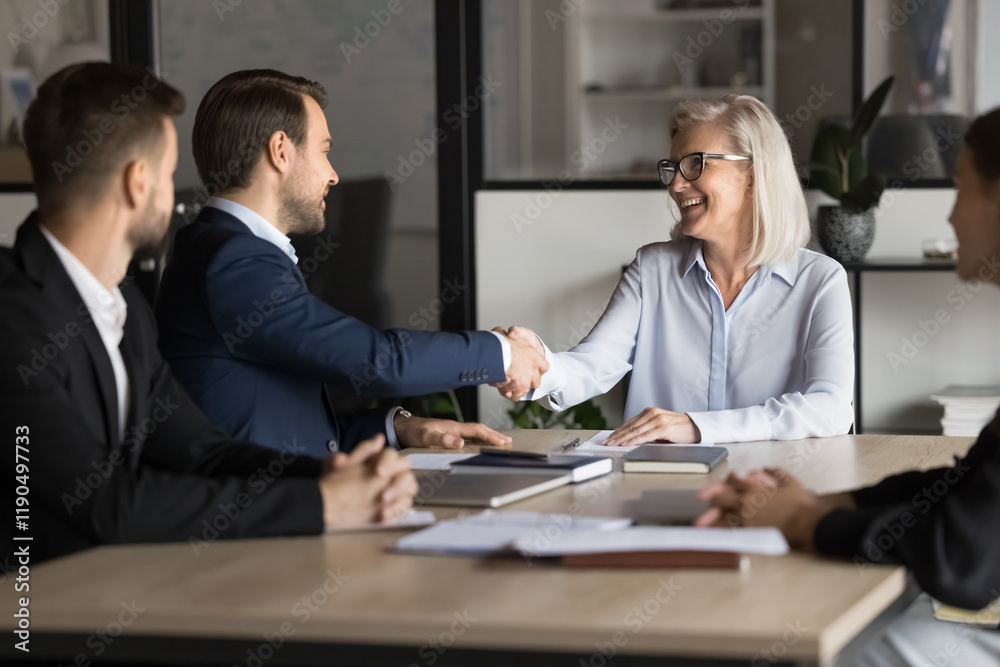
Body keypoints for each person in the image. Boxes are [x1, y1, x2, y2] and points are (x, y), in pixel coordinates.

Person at [0, 63, 416, 566]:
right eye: (170, 174)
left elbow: (203, 452)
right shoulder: (13, 315)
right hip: (28, 622)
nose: (178, 195)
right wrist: (323, 504)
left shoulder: (125, 305)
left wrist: (331, 476)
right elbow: (102, 503)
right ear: (138, 183)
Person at [697, 108, 1000, 666]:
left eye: (961, 190)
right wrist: (833, 500)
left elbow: (964, 557)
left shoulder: (820, 277)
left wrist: (804, 520)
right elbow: (972, 487)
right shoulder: (652, 271)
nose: (952, 216)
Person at [155, 69, 547, 459]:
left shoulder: (219, 248)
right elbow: (376, 360)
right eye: (324, 151)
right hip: (257, 515)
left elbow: (277, 418)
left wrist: (398, 428)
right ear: (280, 151)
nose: (333, 174)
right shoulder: (234, 259)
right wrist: (502, 354)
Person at [497, 95, 855, 446]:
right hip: (661, 486)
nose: (676, 185)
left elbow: (832, 408)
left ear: (753, 174)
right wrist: (534, 364)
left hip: (768, 491)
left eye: (696, 163)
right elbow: (593, 365)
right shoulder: (652, 270)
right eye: (673, 168)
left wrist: (696, 427)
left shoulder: (820, 281)